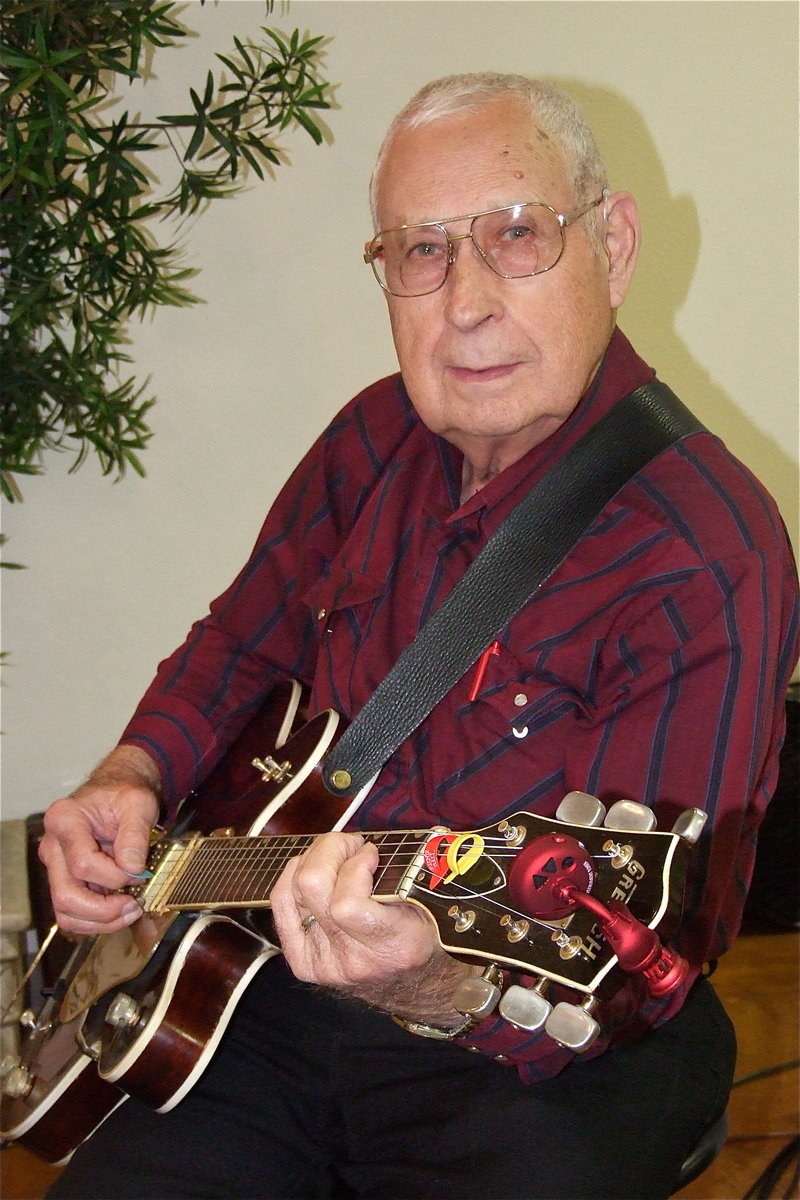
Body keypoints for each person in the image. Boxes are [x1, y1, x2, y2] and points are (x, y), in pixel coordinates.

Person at [39, 73, 798, 1199]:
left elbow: (642, 967)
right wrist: (133, 769)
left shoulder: (706, 551)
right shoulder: (369, 440)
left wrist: (430, 983)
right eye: (420, 252)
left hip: (538, 1044)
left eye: (516, 234)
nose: (467, 301)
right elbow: (237, 643)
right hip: (271, 987)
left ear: (614, 245)